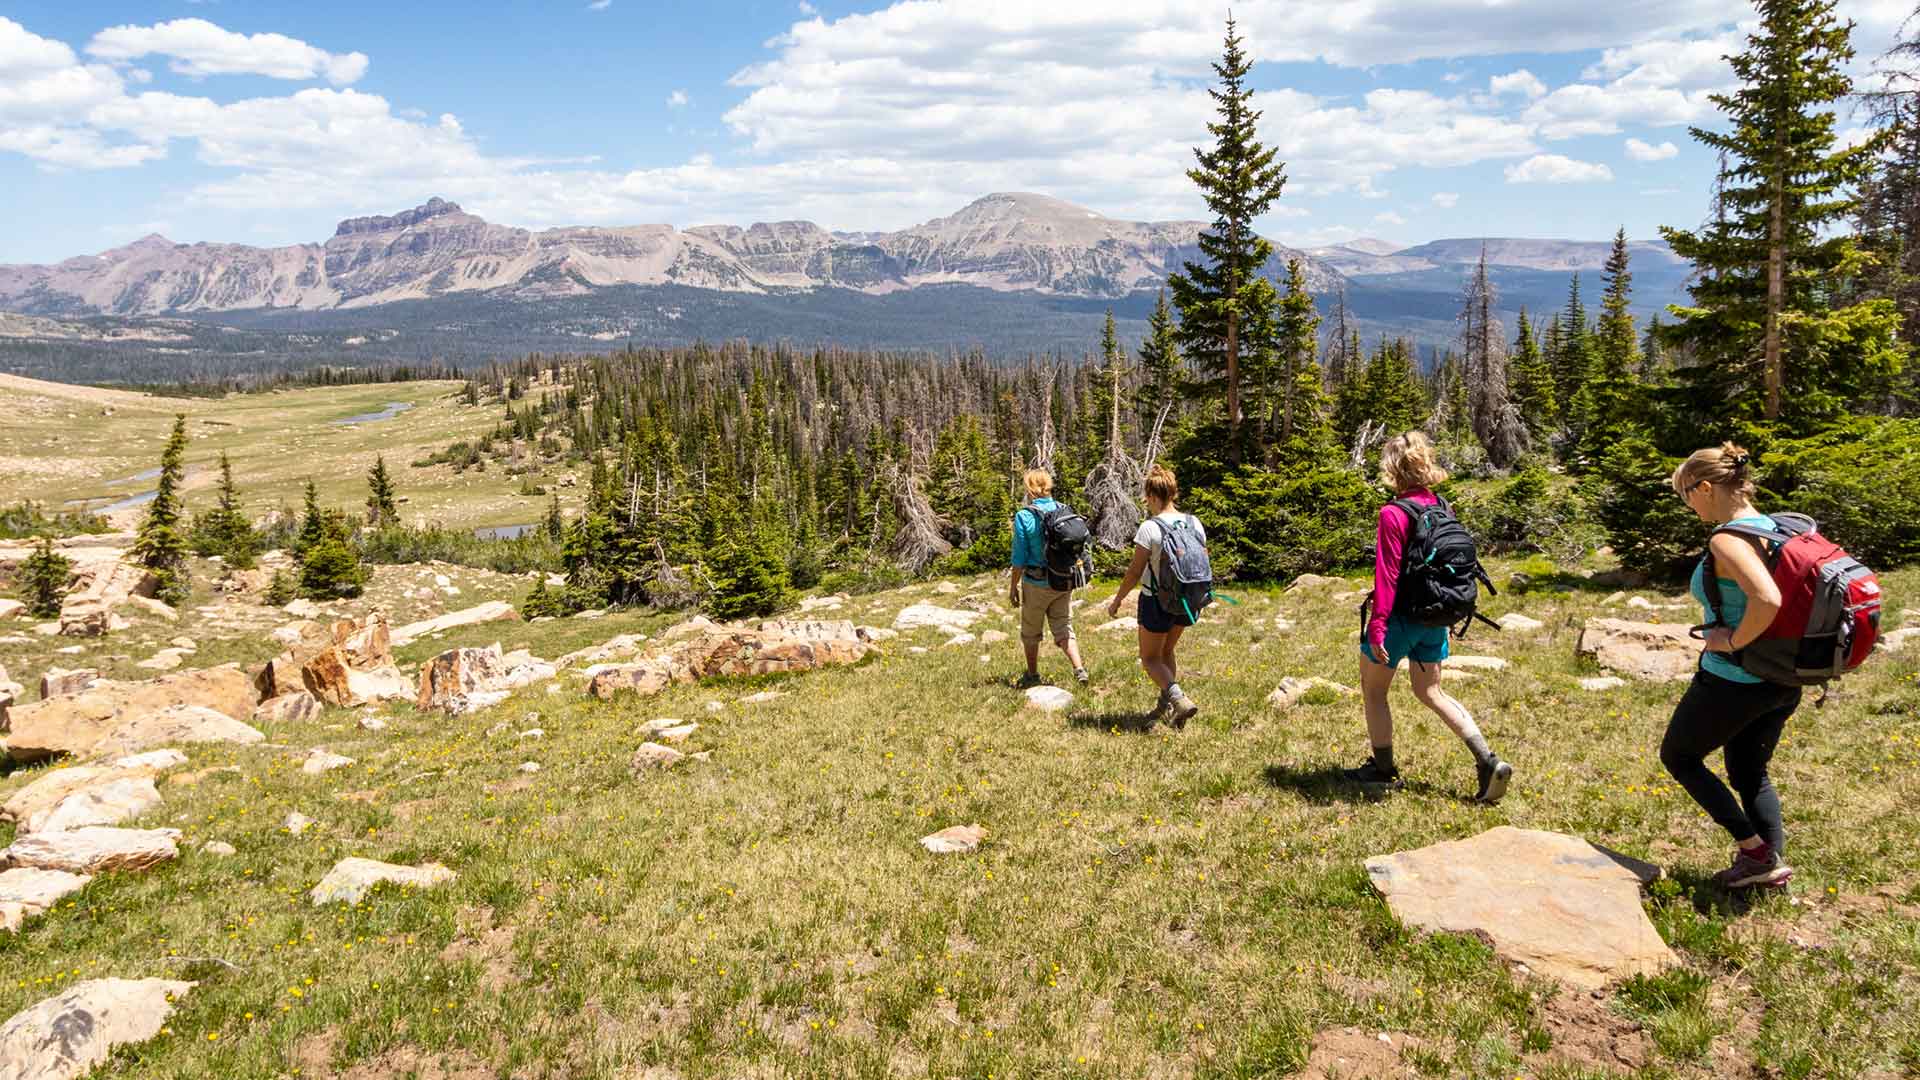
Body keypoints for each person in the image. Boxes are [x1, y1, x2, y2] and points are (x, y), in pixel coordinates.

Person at [1345, 431, 1513, 803]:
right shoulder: (1441, 505)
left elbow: (1386, 575)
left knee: (1374, 691)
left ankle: (1382, 770)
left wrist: (1377, 625)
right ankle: (1487, 760)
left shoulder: (1393, 512)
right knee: (1431, 691)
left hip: (1400, 617)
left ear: (1392, 468)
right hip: (1436, 615)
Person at [1659, 443, 1796, 889]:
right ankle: (1769, 868)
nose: (1687, 504)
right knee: (1749, 771)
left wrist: (1732, 641)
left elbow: (1767, 598)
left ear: (1704, 488)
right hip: (1781, 676)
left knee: (1679, 756)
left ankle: (1754, 852)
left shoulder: (1728, 537)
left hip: (1735, 678)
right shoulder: (1775, 528)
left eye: (1686, 494)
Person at [1106, 464, 1203, 726]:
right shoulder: (1195, 523)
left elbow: (1135, 571)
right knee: (1167, 650)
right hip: (1187, 599)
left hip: (1156, 600)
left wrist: (1117, 600)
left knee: (1150, 659)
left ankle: (1179, 699)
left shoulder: (1150, 527)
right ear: (1173, 493)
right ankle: (1170, 709)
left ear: (1151, 496)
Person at [1009, 469, 1089, 687]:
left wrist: (1013, 586)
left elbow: (1019, 557)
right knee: (1063, 626)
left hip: (1036, 582)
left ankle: (1033, 675)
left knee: (1031, 631)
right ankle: (1079, 668)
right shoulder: (1064, 509)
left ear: (1029, 489)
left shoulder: (1024, 515)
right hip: (1064, 579)